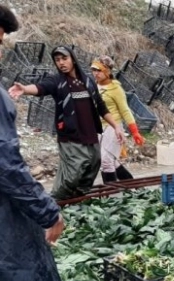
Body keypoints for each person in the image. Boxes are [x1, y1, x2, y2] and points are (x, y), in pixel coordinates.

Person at [0, 5, 89, 281]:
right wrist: (47, 211)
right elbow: (5, 164)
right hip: (6, 212)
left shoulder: (85, 83)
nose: (2, 41)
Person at [9, 45, 125, 200]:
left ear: (73, 59)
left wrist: (116, 126)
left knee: (93, 163)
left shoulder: (88, 81)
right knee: (73, 171)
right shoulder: (57, 81)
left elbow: (101, 107)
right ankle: (56, 200)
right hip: (70, 134)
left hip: (89, 133)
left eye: (64, 58)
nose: (61, 63)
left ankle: (79, 196)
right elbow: (41, 87)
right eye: (57, 60)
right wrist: (25, 89)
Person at [90, 56, 145, 183]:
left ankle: (111, 196)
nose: (95, 73)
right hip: (98, 127)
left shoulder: (116, 89)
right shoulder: (93, 86)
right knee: (111, 160)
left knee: (106, 160)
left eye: (99, 70)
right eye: (93, 70)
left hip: (113, 127)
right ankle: (132, 186)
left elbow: (125, 110)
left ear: (107, 71)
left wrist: (135, 131)